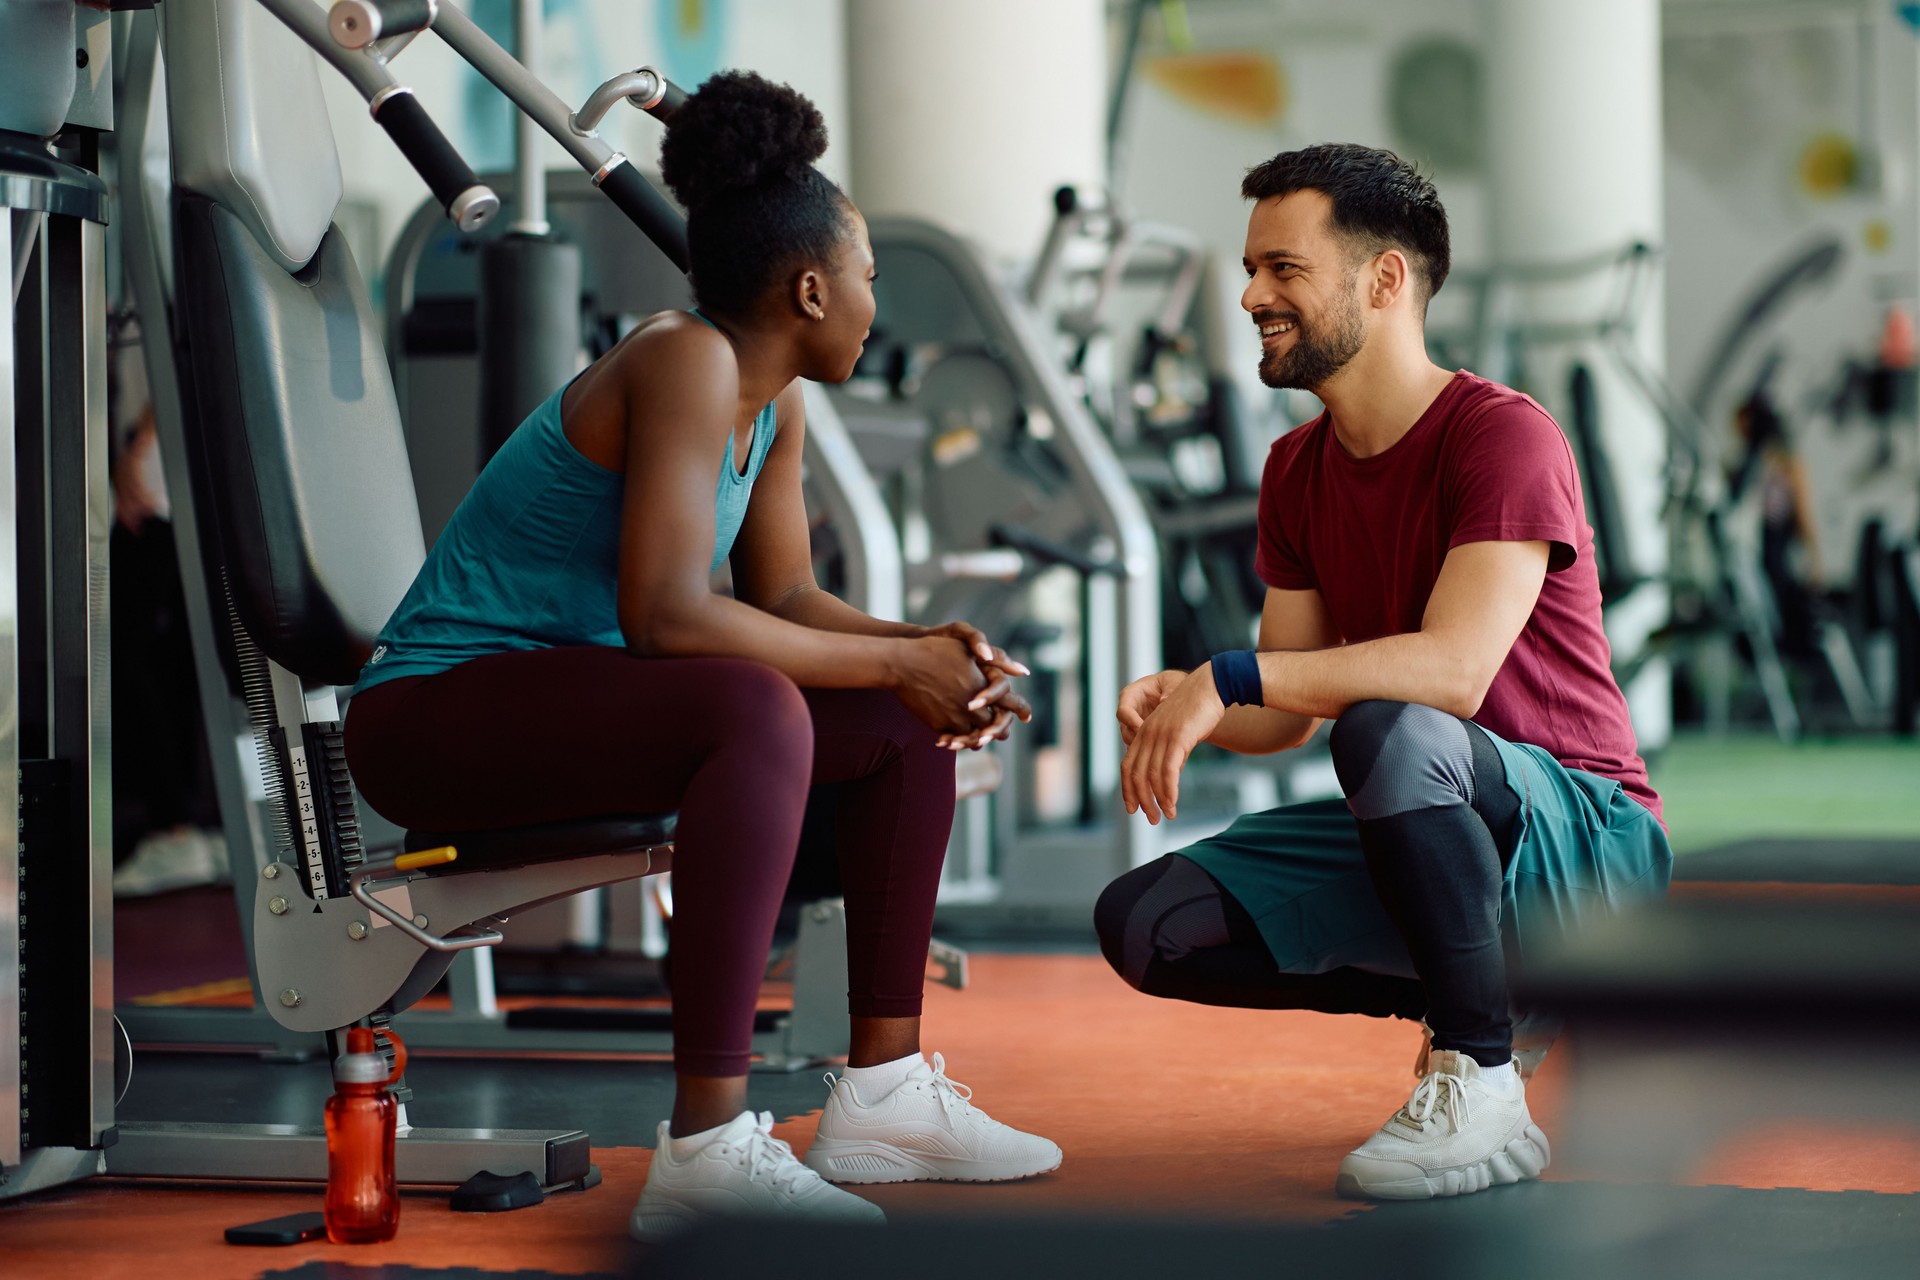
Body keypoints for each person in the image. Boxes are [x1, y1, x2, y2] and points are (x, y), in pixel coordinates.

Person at [343, 71, 1060, 1240]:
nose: (878, 301)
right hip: (434, 712)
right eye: (870, 276)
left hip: (567, 699)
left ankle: (882, 1095)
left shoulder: (773, 401)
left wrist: (922, 653)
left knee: (893, 722)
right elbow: (668, 618)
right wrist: (891, 662)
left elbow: (784, 593)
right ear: (814, 285)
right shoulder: (683, 357)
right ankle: (710, 1142)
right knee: (761, 709)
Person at [1092, 144, 1671, 1201]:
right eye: (1251, 267)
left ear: (1386, 278)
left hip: (1587, 836)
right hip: (1432, 805)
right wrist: (1194, 696)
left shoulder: (1502, 435)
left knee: (1389, 727)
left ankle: (1480, 1073)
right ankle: (1491, 993)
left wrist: (1232, 673)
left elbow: (1449, 673)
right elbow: (1281, 711)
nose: (1252, 293)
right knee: (1146, 923)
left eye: (1283, 268)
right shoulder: (1295, 468)